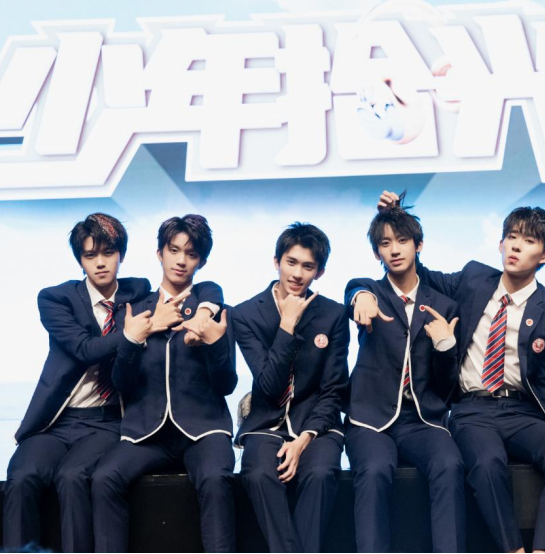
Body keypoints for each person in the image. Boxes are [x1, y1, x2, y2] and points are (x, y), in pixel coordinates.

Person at [353, 191, 545, 553]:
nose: (516, 246)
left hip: (522, 412)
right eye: (511, 237)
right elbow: (414, 275)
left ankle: (544, 550)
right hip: (472, 410)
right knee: (487, 462)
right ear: (500, 243)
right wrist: (395, 222)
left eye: (529, 241)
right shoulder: (474, 279)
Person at [3, 213, 150, 553]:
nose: (100, 263)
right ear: (80, 260)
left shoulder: (139, 291)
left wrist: (206, 304)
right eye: (89, 255)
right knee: (22, 477)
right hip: (55, 422)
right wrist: (131, 334)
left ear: (121, 255)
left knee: (72, 478)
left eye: (108, 253)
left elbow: (193, 287)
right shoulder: (55, 299)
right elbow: (85, 349)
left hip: (106, 421)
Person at [91, 214, 237, 553]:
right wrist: (133, 339)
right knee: (103, 479)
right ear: (160, 253)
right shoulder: (135, 309)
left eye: (191, 254)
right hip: (146, 433)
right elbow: (122, 383)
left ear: (201, 261)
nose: (181, 260)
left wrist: (214, 344)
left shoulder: (214, 310)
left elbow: (226, 384)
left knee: (216, 479)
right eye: (174, 250)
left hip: (204, 429)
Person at [343, 200, 466, 553]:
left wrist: (445, 347)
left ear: (418, 245)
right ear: (377, 253)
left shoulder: (444, 305)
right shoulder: (368, 292)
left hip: (421, 420)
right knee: (374, 471)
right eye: (385, 244)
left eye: (402, 241)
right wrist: (360, 298)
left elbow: (446, 387)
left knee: (449, 464)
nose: (394, 250)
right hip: (370, 419)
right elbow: (353, 288)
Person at [234, 223, 350, 553]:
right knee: (258, 474)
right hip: (266, 422)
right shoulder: (246, 314)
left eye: (308, 266)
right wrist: (286, 326)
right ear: (276, 262)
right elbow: (269, 386)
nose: (297, 274)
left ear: (319, 272)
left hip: (316, 425)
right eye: (291, 262)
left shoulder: (333, 315)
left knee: (321, 473)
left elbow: (333, 389)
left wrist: (304, 439)